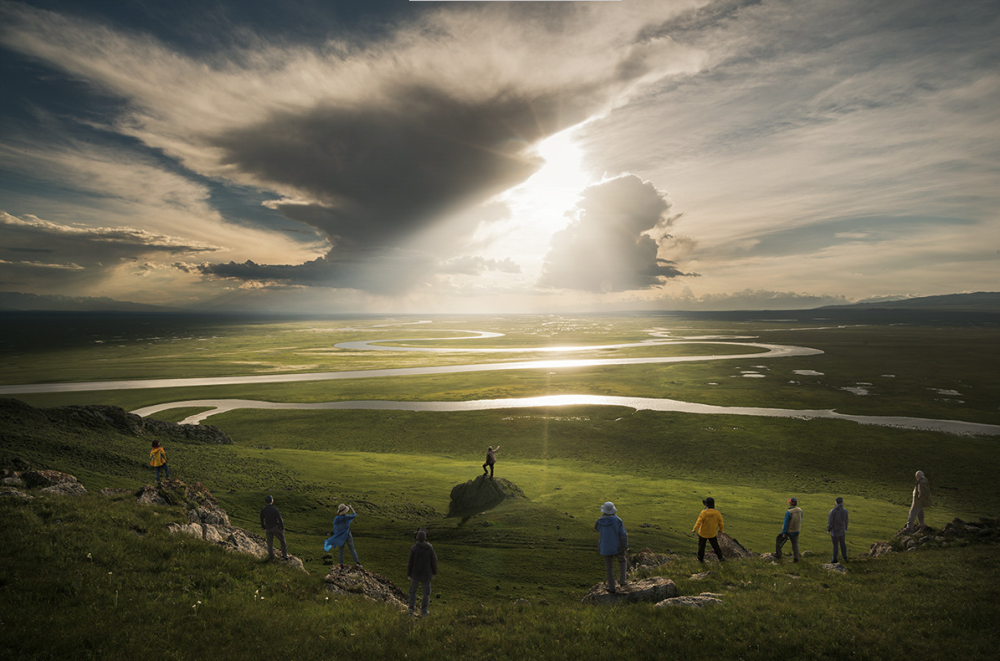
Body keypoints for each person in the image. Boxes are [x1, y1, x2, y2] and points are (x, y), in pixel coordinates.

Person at [594, 501, 629, 593]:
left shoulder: (600, 521)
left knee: (609, 567)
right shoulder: (617, 520)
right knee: (622, 561)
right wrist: (625, 545)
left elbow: (597, 529)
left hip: (605, 547)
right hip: (617, 546)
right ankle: (622, 581)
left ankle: (612, 587)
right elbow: (623, 535)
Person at [406, 528, 438, 617]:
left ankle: (411, 609)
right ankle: (424, 611)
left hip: (415, 574)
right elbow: (434, 560)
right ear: (425, 538)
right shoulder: (430, 548)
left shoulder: (414, 548)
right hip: (426, 574)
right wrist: (434, 571)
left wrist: (408, 573)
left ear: (417, 537)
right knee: (426, 593)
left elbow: (410, 562)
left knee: (412, 592)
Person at [324, 503, 362, 568]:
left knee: (341, 550)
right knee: (352, 549)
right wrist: (351, 507)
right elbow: (355, 515)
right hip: (347, 535)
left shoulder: (336, 519)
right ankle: (357, 563)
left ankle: (341, 565)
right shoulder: (346, 517)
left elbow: (336, 528)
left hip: (340, 537)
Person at [692, 497, 726, 563]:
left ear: (706, 505)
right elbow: (721, 522)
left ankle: (700, 559)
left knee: (701, 547)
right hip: (712, 533)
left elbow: (699, 522)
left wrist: (694, 529)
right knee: (715, 546)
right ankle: (720, 558)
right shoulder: (717, 513)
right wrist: (720, 530)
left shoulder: (703, 513)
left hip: (703, 533)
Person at [259, 495, 288, 562]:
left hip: (268, 528)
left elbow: (261, 519)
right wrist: (282, 527)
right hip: (275, 527)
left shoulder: (263, 509)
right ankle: (284, 555)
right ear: (272, 501)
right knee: (282, 540)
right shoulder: (275, 509)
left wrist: (264, 527)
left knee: (269, 543)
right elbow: (280, 519)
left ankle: (272, 557)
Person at [776, 497, 803, 562]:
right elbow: (800, 520)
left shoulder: (788, 512)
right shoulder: (800, 510)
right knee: (795, 545)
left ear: (791, 503)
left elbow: (785, 524)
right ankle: (796, 559)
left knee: (778, 541)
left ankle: (778, 555)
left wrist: (784, 533)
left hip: (789, 531)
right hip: (797, 531)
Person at [827, 496, 849, 563]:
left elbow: (830, 522)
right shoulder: (845, 511)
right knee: (843, 544)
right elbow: (846, 521)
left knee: (835, 546)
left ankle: (834, 559)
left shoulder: (832, 511)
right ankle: (845, 557)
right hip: (842, 531)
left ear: (836, 502)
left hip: (835, 531)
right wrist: (845, 528)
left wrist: (828, 530)